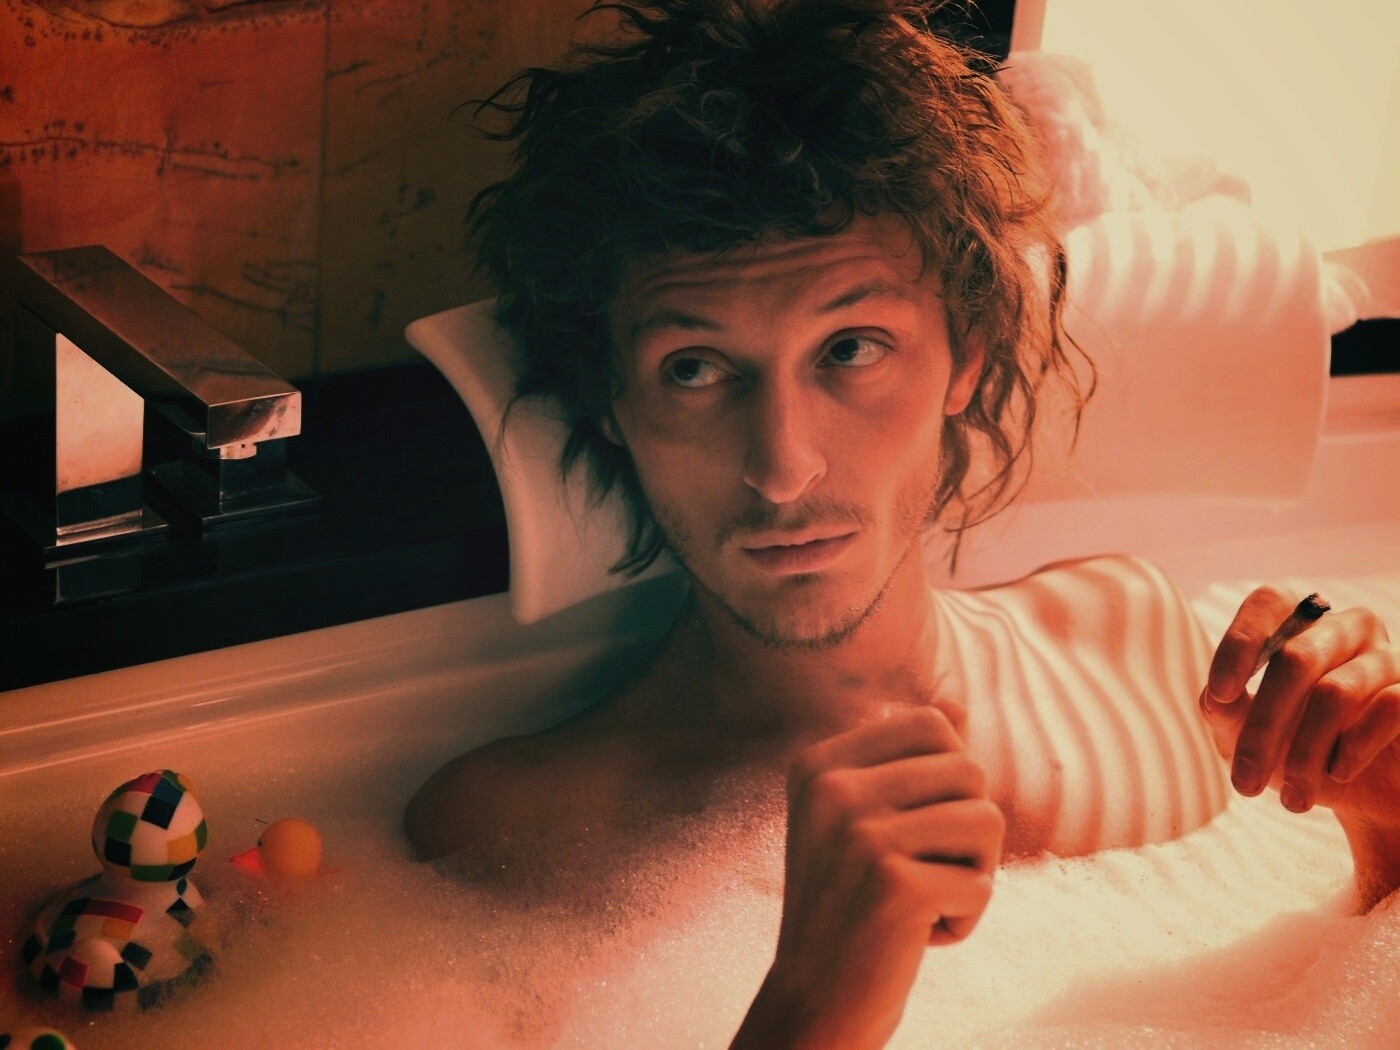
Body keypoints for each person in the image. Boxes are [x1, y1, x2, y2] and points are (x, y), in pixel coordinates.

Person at [405, 2, 1400, 1046]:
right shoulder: (512, 834)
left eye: (850, 349)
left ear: (967, 355)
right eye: (693, 369)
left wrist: (1383, 826)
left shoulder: (1137, 650)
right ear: (606, 400)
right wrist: (809, 1003)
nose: (781, 468)